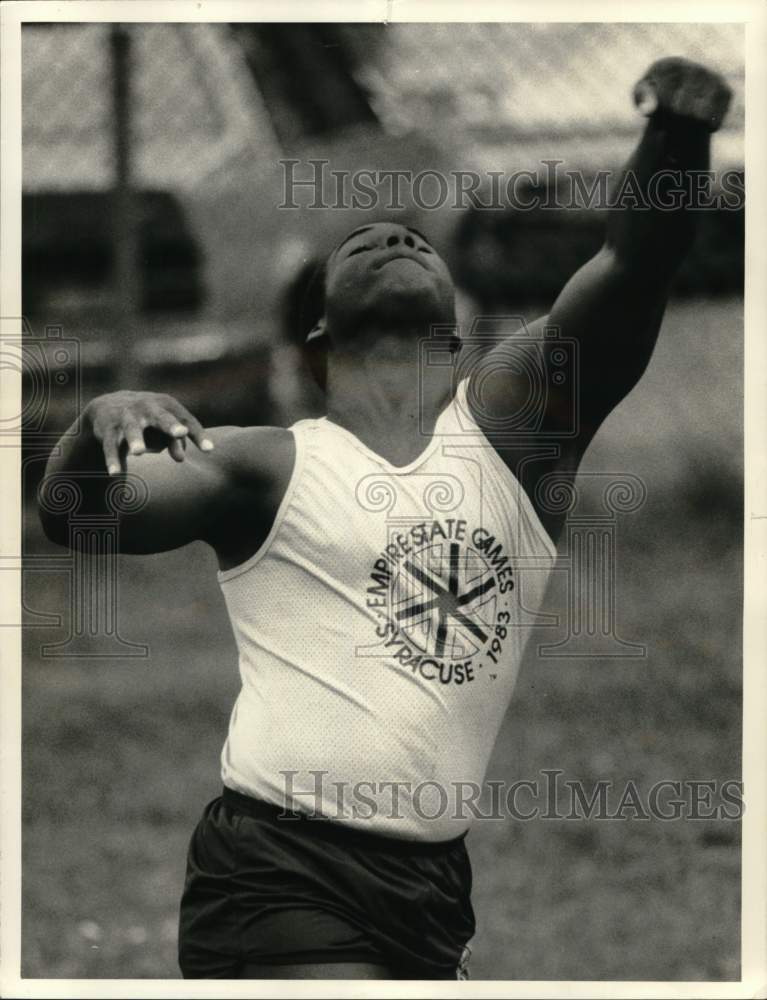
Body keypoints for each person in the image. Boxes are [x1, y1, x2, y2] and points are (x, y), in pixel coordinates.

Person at [40, 58, 732, 980]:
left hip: (430, 889)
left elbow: (633, 264)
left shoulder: (519, 439)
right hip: (277, 869)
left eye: (410, 239)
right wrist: (96, 423)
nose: (385, 237)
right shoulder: (264, 464)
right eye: (356, 244)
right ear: (319, 334)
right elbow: (78, 519)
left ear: (454, 321)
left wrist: (677, 133)